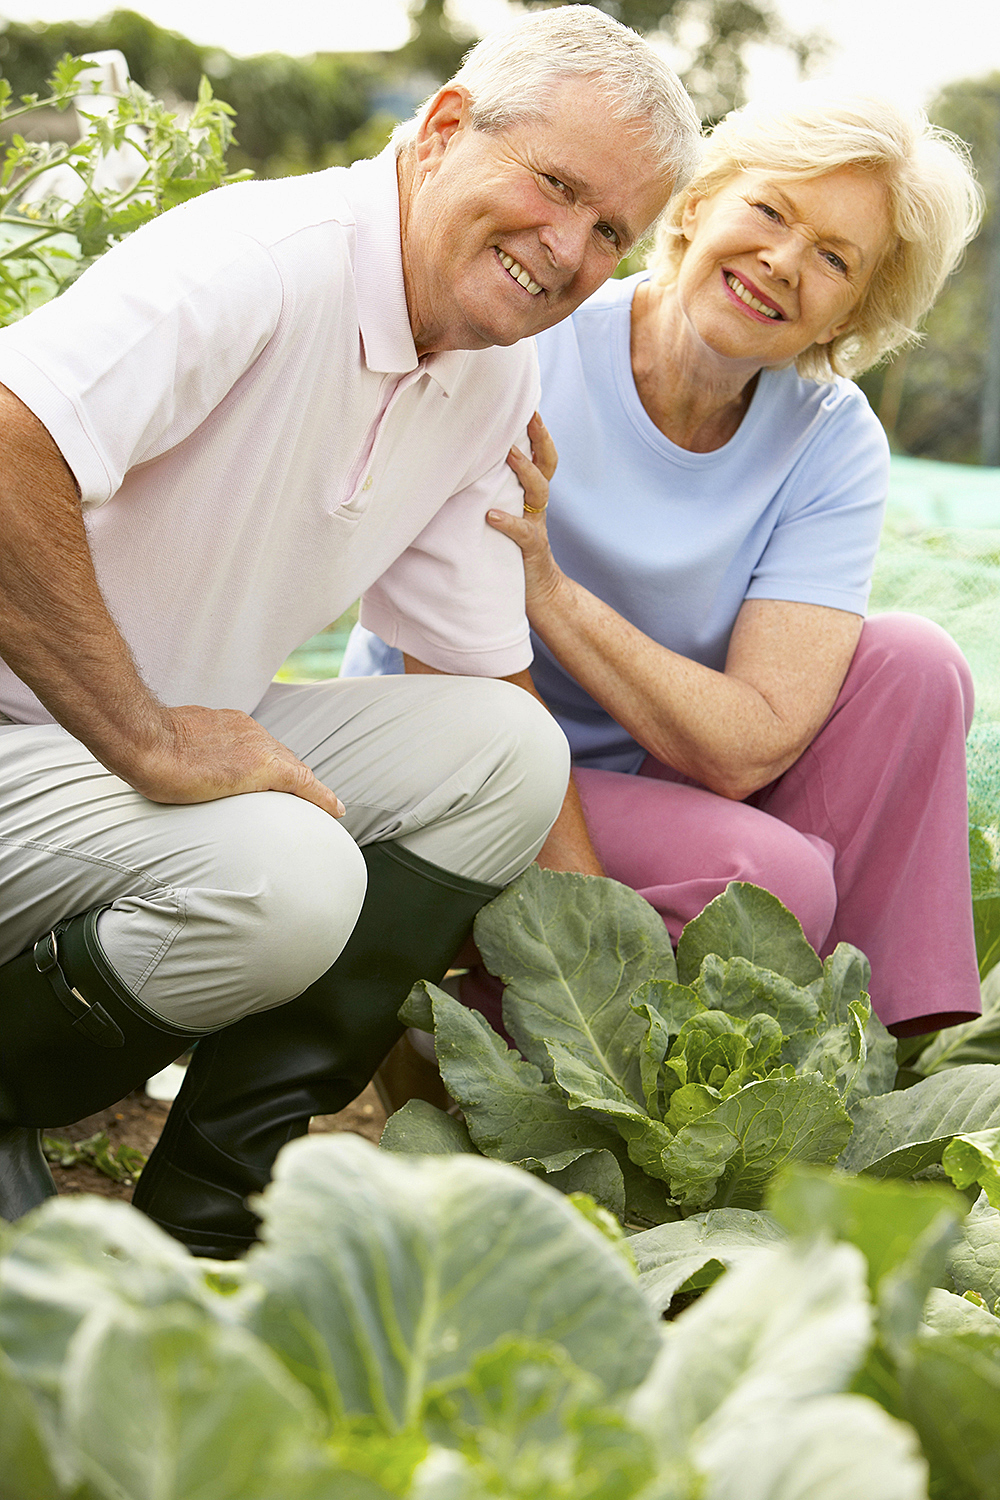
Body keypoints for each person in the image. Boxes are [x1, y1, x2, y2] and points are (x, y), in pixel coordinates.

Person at [0, 6, 701, 1253]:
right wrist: (151, 737)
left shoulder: (491, 373)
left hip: (129, 752)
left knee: (505, 753)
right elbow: (9, 443)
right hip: (39, 737)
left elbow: (480, 678)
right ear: (441, 131)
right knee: (287, 878)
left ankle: (211, 1211)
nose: (568, 249)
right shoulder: (268, 260)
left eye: (610, 232)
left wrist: (611, 998)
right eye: (554, 185)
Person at [344, 84, 984, 1043]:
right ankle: (470, 1032)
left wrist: (549, 589)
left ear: (854, 313)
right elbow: (462, 659)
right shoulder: (539, 340)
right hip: (456, 745)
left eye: (834, 259)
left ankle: (861, 1053)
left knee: (918, 665)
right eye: (769, 210)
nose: (781, 262)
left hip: (668, 769)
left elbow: (749, 744)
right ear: (695, 205)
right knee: (768, 884)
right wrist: (581, 924)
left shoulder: (833, 435)